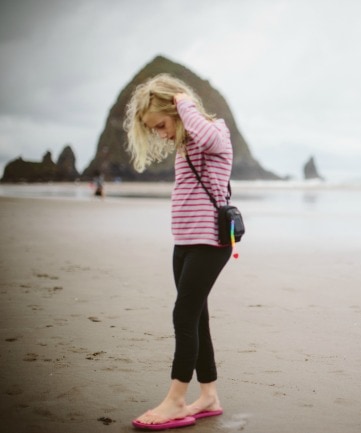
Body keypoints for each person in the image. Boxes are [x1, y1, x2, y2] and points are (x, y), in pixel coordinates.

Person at [124, 73, 234, 430]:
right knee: (197, 316)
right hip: (184, 242)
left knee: (183, 315)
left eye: (161, 125)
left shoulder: (214, 132)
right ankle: (209, 395)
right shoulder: (187, 146)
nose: (161, 133)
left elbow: (205, 134)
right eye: (154, 130)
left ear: (176, 110)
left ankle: (175, 399)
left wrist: (182, 101)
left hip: (210, 243)